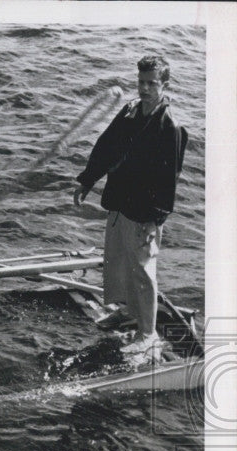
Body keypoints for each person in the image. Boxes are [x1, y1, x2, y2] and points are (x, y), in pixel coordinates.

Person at [73, 55, 188, 359]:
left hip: (145, 213)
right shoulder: (130, 111)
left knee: (142, 271)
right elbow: (107, 145)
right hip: (121, 202)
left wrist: (155, 221)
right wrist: (87, 180)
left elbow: (168, 179)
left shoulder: (170, 127)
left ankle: (147, 334)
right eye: (141, 82)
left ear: (165, 85)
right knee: (118, 260)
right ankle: (127, 313)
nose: (145, 89)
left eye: (152, 83)